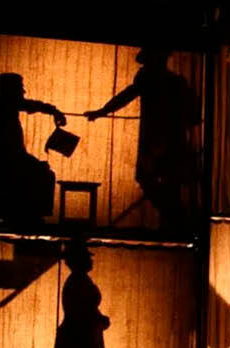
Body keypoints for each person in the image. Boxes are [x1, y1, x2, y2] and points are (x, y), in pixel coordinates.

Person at [84, 48, 199, 229]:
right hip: (170, 140)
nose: (143, 67)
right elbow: (193, 116)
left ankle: (175, 219)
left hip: (157, 140)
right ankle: (175, 219)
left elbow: (125, 96)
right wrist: (101, 112)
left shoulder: (157, 81)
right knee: (166, 182)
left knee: (154, 179)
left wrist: (101, 112)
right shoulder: (176, 82)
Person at [0, 73, 64, 223]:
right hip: (0, 159)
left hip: (4, 157)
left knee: (41, 171)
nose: (23, 91)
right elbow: (29, 106)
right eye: (20, 88)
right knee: (43, 173)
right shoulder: (0, 103)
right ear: (10, 89)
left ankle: (24, 213)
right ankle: (29, 214)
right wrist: (54, 111)